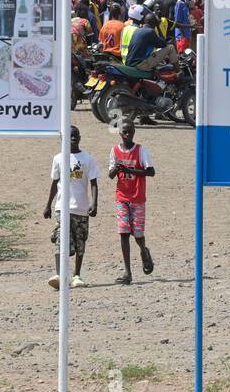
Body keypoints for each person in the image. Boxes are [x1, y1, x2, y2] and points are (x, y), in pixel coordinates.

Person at [44, 125, 100, 289]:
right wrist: (48, 205)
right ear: (63, 139)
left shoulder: (87, 159)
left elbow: (94, 182)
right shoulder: (58, 158)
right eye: (70, 136)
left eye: (76, 136)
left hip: (81, 207)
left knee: (80, 241)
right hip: (62, 207)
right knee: (61, 239)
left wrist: (94, 202)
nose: (73, 139)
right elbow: (55, 183)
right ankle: (60, 275)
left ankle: (77, 275)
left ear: (80, 137)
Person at [108, 120, 155, 285]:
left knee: (138, 234)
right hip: (122, 197)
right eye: (125, 132)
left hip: (137, 197)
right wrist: (117, 168)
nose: (128, 135)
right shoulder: (114, 151)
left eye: (131, 132)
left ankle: (144, 251)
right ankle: (128, 272)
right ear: (120, 133)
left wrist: (131, 170)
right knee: (123, 232)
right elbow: (110, 174)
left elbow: (151, 172)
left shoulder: (141, 150)